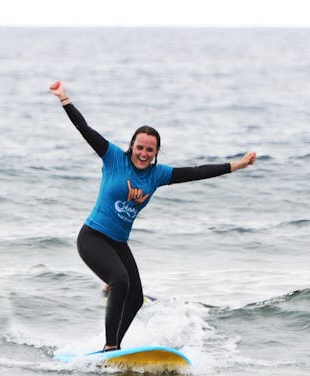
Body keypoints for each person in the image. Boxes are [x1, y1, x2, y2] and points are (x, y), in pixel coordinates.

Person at [50, 81, 256, 352]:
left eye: (150, 150)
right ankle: (110, 347)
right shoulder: (113, 158)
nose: (144, 154)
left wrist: (237, 165)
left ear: (156, 152)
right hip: (93, 237)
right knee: (119, 281)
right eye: (140, 147)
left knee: (135, 298)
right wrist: (65, 99)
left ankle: (113, 347)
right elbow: (85, 129)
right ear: (131, 146)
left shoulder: (158, 175)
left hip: (118, 243)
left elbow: (196, 172)